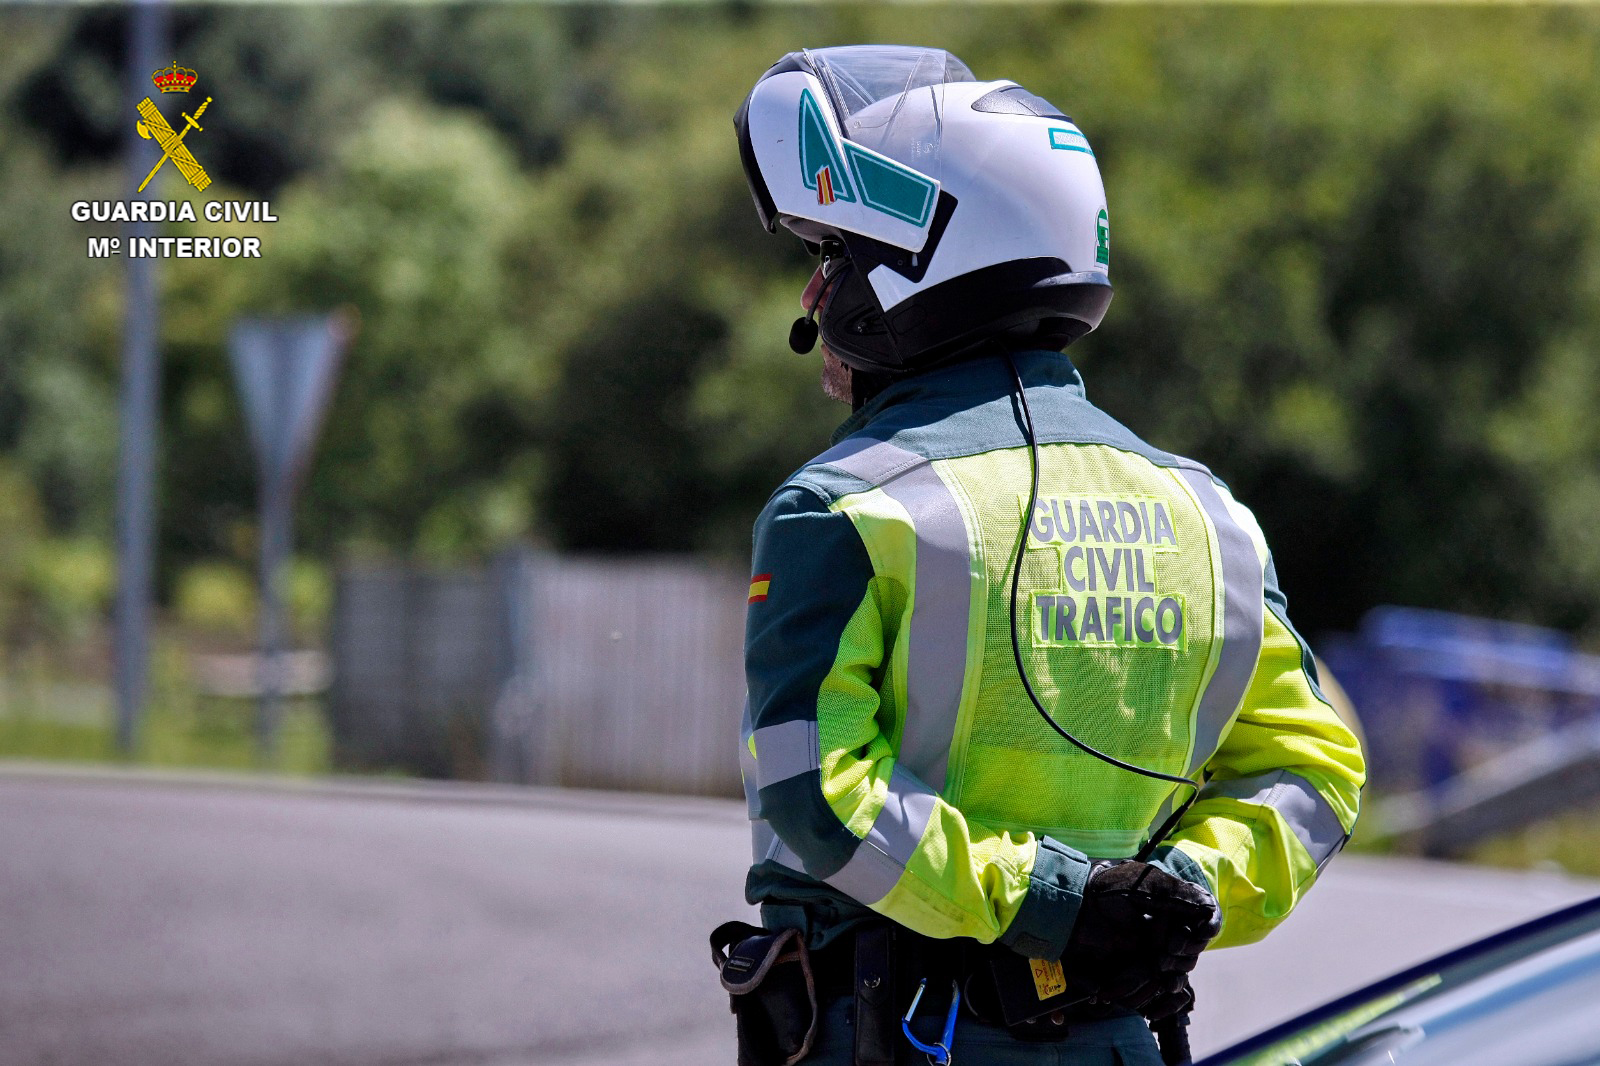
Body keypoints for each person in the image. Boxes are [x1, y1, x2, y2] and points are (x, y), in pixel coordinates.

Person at [719, 45, 1365, 1066]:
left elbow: (816, 793)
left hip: (893, 1036)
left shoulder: (839, 509)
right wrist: (1171, 899)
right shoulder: (1212, 516)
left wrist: (1054, 903)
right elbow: (1313, 772)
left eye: (836, 256)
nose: (812, 292)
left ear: (915, 264)